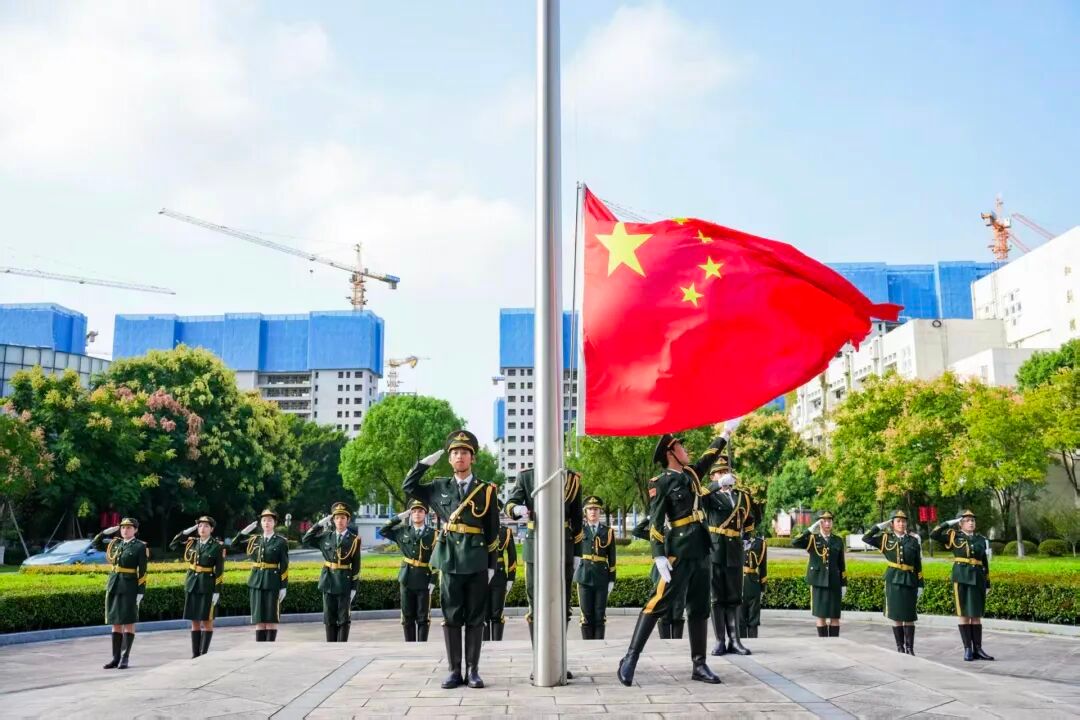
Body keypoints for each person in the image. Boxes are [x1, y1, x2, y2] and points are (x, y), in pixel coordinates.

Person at [617, 433, 729, 687]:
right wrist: (658, 555)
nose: (685, 450)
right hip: (678, 552)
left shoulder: (691, 475)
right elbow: (655, 520)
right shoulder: (662, 482)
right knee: (657, 603)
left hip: (701, 549)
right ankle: (630, 659)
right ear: (671, 453)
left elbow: (708, 458)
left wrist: (724, 435)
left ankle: (699, 664)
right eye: (680, 446)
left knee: (699, 608)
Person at [403, 430, 499, 689]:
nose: (460, 456)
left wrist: (492, 565)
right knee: (452, 616)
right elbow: (408, 487)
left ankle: (473, 671)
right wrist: (424, 464)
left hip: (477, 561)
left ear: (472, 458)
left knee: (476, 617)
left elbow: (493, 532)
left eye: (464, 452)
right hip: (449, 560)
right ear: (449, 458)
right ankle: (455, 671)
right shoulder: (438, 488)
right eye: (455, 452)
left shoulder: (486, 490)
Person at [504, 466, 583, 650]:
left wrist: (577, 552)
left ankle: (558, 655)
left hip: (563, 543)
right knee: (535, 602)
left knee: (562, 603)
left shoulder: (571, 479)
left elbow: (577, 517)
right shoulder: (527, 476)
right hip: (535, 544)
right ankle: (538, 655)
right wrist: (517, 509)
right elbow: (510, 503)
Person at [704, 457, 754, 656]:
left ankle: (735, 641)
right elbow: (698, 495)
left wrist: (747, 538)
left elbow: (749, 520)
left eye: (726, 471)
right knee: (717, 597)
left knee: (734, 596)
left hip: (734, 550)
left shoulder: (742, 496)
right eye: (719, 472)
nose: (724, 475)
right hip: (715, 550)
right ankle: (719, 641)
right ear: (712, 477)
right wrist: (717, 485)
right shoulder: (709, 496)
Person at [930, 509, 994, 662]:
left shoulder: (980, 539)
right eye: (967, 520)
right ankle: (967, 649)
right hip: (961, 577)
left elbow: (984, 561)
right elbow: (934, 534)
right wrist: (949, 523)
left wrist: (987, 582)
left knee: (976, 615)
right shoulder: (954, 536)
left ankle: (978, 649)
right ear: (960, 523)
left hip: (977, 578)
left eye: (973, 520)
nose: (971, 523)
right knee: (964, 614)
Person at [862, 510, 924, 654]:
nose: (901, 524)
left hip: (910, 580)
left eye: (904, 521)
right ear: (892, 524)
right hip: (893, 580)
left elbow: (918, 565)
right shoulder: (885, 538)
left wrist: (920, 584)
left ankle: (910, 648)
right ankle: (900, 648)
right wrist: (880, 526)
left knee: (909, 616)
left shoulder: (913, 541)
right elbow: (866, 537)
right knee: (896, 616)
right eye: (898, 521)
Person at [92, 517, 148, 669]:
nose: (125, 530)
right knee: (115, 622)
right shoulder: (115, 543)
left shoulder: (140, 547)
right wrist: (105, 532)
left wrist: (140, 592)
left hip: (129, 587)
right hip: (114, 585)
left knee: (128, 622)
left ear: (135, 530)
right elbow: (95, 543)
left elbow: (143, 571)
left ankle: (125, 657)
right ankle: (115, 658)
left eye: (129, 528)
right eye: (123, 527)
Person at [302, 502, 361, 642]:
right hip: (328, 581)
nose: (340, 521)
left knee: (343, 618)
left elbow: (356, 566)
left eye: (343, 518)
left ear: (348, 520)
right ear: (333, 520)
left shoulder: (354, 540)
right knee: (329, 617)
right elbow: (306, 539)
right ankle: (331, 647)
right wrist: (320, 524)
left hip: (344, 582)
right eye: (337, 518)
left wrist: (354, 587)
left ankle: (342, 647)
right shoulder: (325, 537)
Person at [379, 499, 437, 642]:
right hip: (406, 578)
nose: (417, 514)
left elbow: (437, 558)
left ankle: (422, 647)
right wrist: (400, 516)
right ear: (410, 514)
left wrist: (434, 580)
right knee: (407, 616)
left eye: (420, 511)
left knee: (423, 617)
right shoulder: (402, 532)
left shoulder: (434, 534)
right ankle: (409, 646)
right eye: (414, 511)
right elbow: (383, 530)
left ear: (425, 514)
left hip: (424, 579)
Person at [169, 515, 226, 658]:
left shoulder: (217, 546)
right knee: (194, 620)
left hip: (207, 586)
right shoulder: (192, 542)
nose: (202, 529)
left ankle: (204, 653)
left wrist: (217, 591)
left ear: (212, 529)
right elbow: (173, 544)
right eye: (200, 526)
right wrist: (187, 531)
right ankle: (195, 654)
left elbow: (219, 570)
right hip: (192, 585)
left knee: (207, 621)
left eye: (206, 526)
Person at [232, 509, 290, 642]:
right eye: (264, 520)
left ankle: (269, 648)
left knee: (271, 619)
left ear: (275, 523)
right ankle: (260, 649)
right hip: (256, 582)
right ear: (261, 523)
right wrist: (243, 532)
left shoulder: (281, 542)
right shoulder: (254, 540)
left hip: (272, 582)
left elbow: (284, 565)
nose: (266, 523)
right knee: (259, 620)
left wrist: (283, 586)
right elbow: (234, 545)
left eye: (269, 520)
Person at [792, 511, 847, 636]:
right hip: (818, 582)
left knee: (835, 616)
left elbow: (841, 563)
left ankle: (834, 643)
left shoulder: (838, 540)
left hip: (834, 582)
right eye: (824, 521)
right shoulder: (812, 539)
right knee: (821, 616)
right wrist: (811, 529)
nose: (827, 523)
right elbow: (795, 542)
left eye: (829, 521)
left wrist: (844, 583)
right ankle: (823, 643)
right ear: (819, 523)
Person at [631, 517, 686, 639]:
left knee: (678, 610)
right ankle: (665, 641)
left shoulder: (683, 529)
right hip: (661, 574)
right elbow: (636, 531)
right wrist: (650, 517)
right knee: (663, 610)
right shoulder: (658, 532)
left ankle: (677, 642)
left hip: (680, 572)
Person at [575, 495, 617, 639]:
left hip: (601, 577)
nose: (593, 512)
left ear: (600, 512)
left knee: (600, 615)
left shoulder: (608, 532)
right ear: (585, 512)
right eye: (590, 509)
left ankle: (599, 645)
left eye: (596, 509)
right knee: (586, 616)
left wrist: (612, 579)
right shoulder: (579, 530)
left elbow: (612, 558)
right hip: (584, 576)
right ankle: (588, 646)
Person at [485, 504, 518, 641]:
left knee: (497, 614)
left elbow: (512, 556)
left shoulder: (505, 532)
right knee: (483, 615)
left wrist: (510, 578)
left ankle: (497, 644)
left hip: (499, 576)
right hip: (481, 575)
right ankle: (484, 645)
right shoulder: (480, 530)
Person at [740, 532, 767, 638]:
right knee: (740, 619)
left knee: (753, 619)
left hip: (753, 584)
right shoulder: (734, 540)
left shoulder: (760, 543)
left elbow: (763, 567)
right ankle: (740, 643)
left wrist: (762, 587)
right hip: (738, 583)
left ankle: (753, 642)